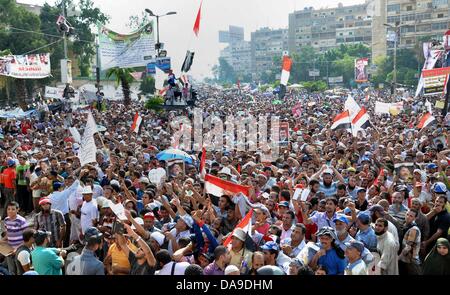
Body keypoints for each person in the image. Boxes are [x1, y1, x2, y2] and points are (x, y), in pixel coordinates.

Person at [2, 201, 28, 275]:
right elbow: (8, 233)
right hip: (9, 249)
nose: (10, 211)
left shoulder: (22, 220)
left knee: (20, 271)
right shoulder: (6, 220)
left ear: (17, 210)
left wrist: (17, 249)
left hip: (20, 249)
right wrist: (2, 240)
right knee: (11, 270)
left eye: (13, 209)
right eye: (8, 209)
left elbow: (27, 238)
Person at [398, 209, 422, 275]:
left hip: (410, 261)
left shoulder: (414, 229)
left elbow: (408, 247)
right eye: (407, 214)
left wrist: (398, 258)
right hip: (404, 259)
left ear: (415, 218)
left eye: (411, 216)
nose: (408, 217)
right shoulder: (405, 225)